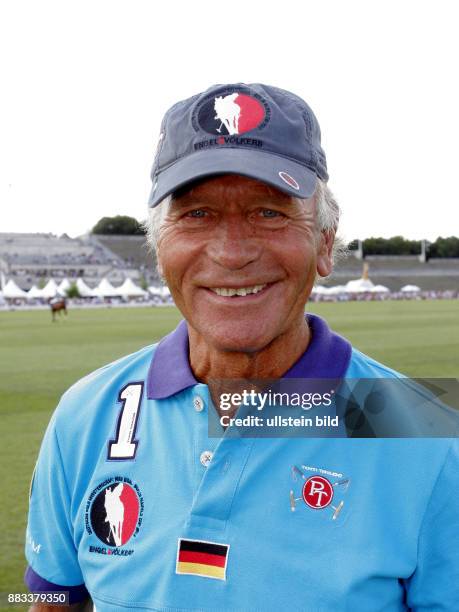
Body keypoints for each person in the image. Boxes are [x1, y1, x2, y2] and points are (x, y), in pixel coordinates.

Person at [25, 83, 459, 611]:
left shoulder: (429, 435)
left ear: (324, 243)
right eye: (197, 214)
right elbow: (50, 600)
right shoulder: (85, 414)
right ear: (159, 247)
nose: (232, 253)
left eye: (270, 213)